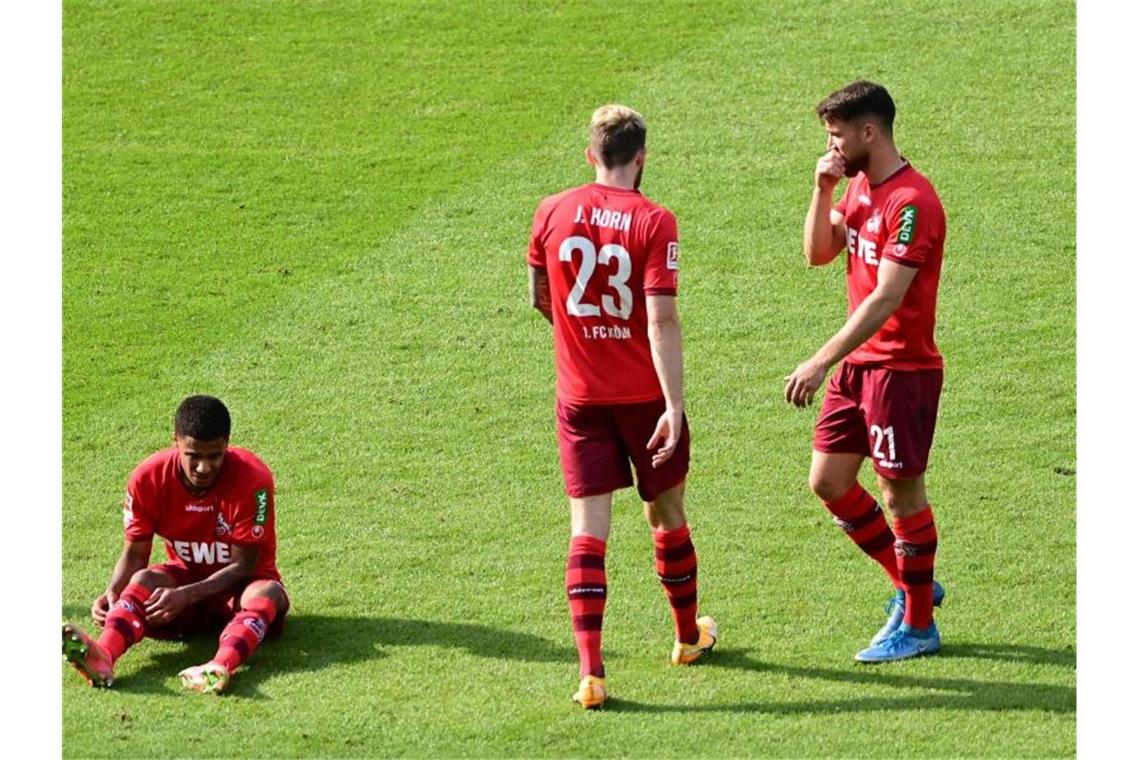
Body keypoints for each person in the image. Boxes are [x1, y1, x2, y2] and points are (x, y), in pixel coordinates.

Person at [527, 104, 717, 709]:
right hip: (642, 399)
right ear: (641, 156)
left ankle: (592, 674)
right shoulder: (656, 220)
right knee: (666, 511)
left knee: (588, 530)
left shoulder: (551, 211)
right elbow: (661, 317)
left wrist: (586, 342)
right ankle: (687, 637)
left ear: (591, 155)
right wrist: (675, 403)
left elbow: (540, 297)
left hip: (580, 399)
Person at [786, 80, 947, 663]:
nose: (831, 146)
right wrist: (821, 188)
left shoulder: (913, 203)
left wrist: (818, 359)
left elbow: (884, 300)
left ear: (868, 132)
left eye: (836, 136)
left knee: (901, 495)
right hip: (859, 369)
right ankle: (915, 587)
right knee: (828, 481)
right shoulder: (856, 186)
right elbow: (817, 253)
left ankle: (920, 624)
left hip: (900, 371)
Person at [62, 395, 289, 692]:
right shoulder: (148, 478)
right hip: (183, 594)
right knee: (143, 579)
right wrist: (114, 592)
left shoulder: (253, 480)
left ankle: (218, 666)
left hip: (240, 591)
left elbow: (243, 567)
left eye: (215, 456)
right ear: (176, 441)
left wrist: (185, 595)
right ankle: (103, 654)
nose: (204, 467)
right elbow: (135, 553)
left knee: (269, 593)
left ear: (227, 444)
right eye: (194, 455)